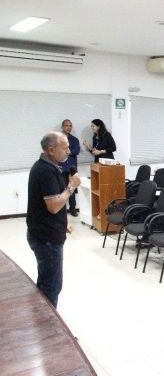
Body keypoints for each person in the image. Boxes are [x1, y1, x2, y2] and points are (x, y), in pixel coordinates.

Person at [27, 132, 81, 308]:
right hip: (47, 239)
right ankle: (48, 330)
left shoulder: (48, 167)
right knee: (51, 286)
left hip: (45, 233)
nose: (68, 151)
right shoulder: (46, 171)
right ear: (51, 149)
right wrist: (71, 186)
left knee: (46, 282)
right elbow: (53, 205)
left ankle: (43, 324)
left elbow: (52, 204)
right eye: (64, 147)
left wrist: (63, 223)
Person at [60, 119, 80, 217]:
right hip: (61, 167)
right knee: (61, 189)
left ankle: (73, 209)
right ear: (62, 127)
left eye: (70, 126)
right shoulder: (58, 139)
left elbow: (76, 151)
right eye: (67, 126)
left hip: (72, 168)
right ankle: (61, 210)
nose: (69, 127)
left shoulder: (75, 139)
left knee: (72, 189)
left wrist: (69, 152)